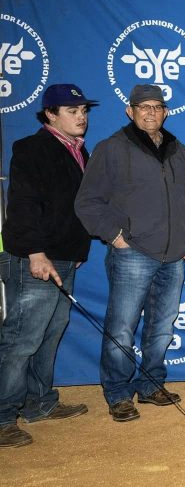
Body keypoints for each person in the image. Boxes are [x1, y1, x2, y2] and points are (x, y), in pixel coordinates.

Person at [75, 84, 185, 422]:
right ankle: (118, 392)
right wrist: (115, 236)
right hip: (132, 253)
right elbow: (87, 202)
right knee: (122, 326)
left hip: (173, 255)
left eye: (157, 107)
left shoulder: (179, 151)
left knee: (162, 327)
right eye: (143, 107)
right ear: (130, 111)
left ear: (166, 112)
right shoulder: (112, 148)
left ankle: (150, 384)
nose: (150, 112)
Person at [0, 84, 95, 447]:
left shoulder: (78, 149)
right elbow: (23, 204)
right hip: (36, 260)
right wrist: (36, 253)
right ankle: (3, 416)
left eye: (83, 110)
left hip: (63, 257)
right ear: (50, 115)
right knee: (21, 340)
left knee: (50, 333)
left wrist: (75, 249)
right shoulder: (32, 148)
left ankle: (39, 402)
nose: (81, 117)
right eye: (72, 111)